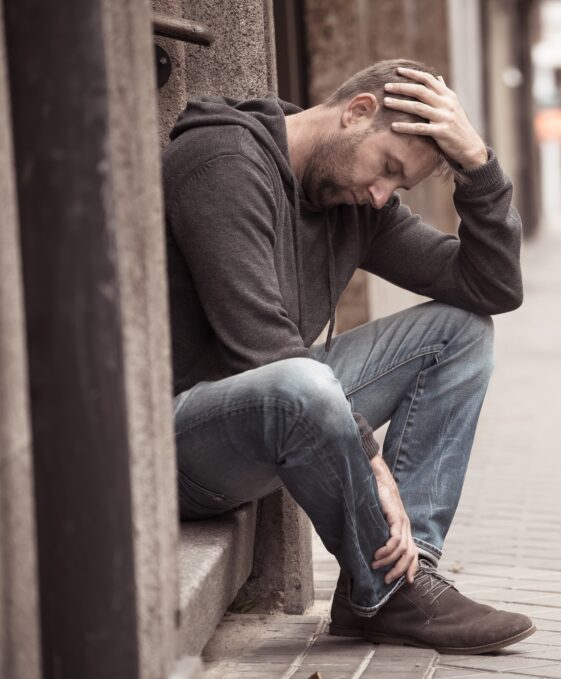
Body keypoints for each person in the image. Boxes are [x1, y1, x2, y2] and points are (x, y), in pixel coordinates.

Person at [162, 58, 533, 654]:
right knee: (302, 384)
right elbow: (258, 348)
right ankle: (388, 589)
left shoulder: (356, 204)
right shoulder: (221, 163)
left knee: (461, 331)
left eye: (399, 186)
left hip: (277, 404)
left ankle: (406, 576)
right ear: (358, 112)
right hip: (180, 443)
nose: (382, 194)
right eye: (386, 167)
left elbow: (493, 288)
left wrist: (478, 167)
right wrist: (374, 463)